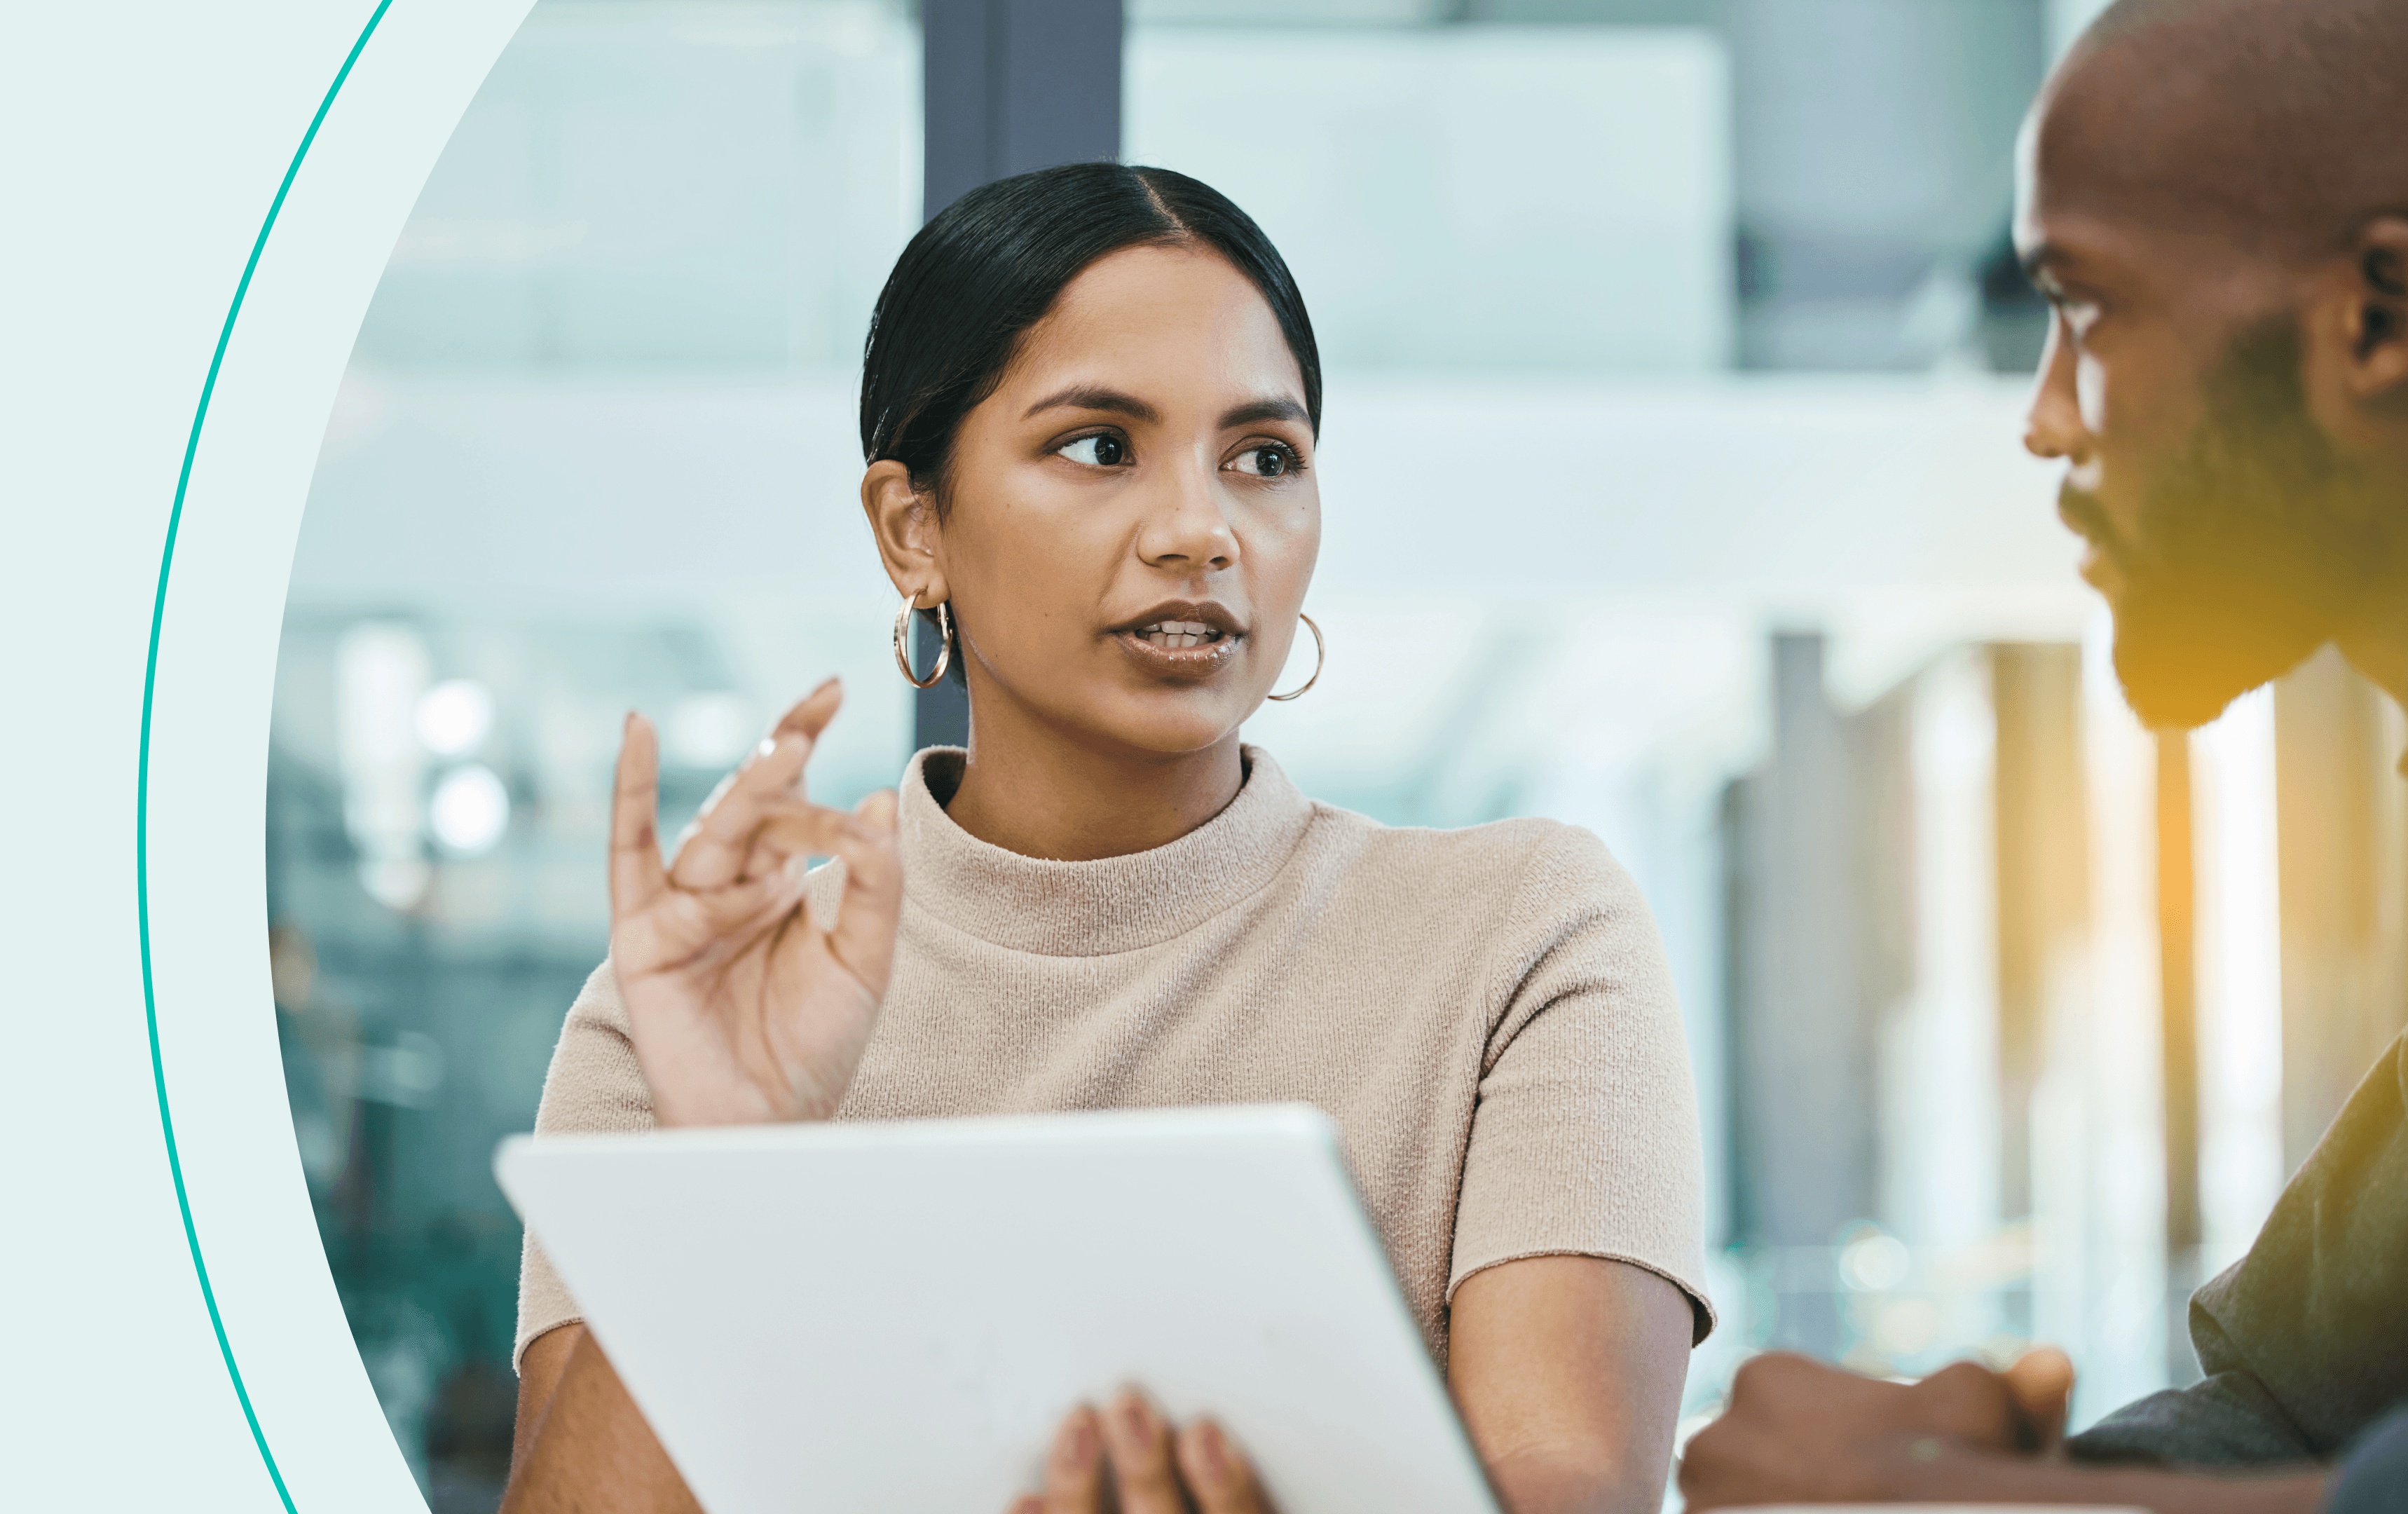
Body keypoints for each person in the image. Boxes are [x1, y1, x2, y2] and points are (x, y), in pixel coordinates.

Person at [496, 163, 1709, 1514]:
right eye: (1099, 446)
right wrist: (722, 1167)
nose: (1202, 531)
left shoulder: (1522, 935)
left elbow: (1569, 1485)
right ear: (914, 530)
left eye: (1265, 458)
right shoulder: (687, 1019)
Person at [1678, 0, 2408, 1510]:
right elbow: (2297, 1390)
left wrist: (1986, 1510)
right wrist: (1961, 1464)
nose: (2049, 420)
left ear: (2379, 314)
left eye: (2092, 309)